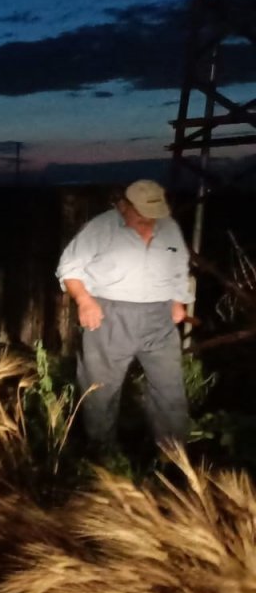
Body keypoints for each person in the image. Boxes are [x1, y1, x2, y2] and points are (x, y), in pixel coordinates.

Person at [56, 179, 193, 460]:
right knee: (101, 389)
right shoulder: (101, 227)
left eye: (154, 216)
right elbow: (68, 268)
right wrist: (84, 301)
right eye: (143, 215)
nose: (150, 223)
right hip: (110, 316)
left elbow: (179, 265)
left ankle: (173, 457)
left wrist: (178, 301)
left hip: (159, 317)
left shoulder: (169, 227)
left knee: (170, 388)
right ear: (124, 206)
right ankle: (101, 455)